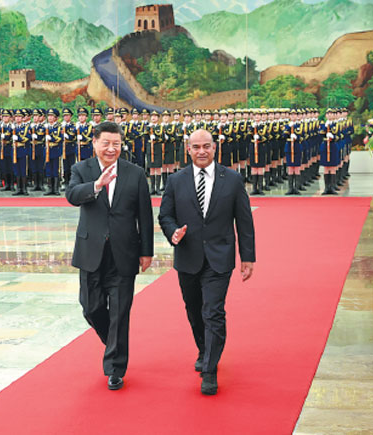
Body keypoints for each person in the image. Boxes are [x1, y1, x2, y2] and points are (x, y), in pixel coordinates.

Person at [158, 129, 256, 395]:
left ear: (215, 148)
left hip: (219, 257)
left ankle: (210, 370)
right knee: (194, 310)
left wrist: (247, 257)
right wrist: (173, 232)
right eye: (196, 147)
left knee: (213, 312)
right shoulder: (176, 180)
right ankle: (204, 349)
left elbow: (244, 221)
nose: (201, 151)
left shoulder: (233, 179)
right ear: (188, 149)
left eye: (206, 146)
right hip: (187, 257)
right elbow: (165, 215)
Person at [65, 121, 154, 391]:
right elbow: (71, 195)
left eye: (116, 144)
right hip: (91, 250)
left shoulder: (135, 173)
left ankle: (115, 367)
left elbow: (144, 215)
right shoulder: (82, 169)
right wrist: (95, 186)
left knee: (119, 312)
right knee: (91, 308)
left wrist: (146, 250)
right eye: (106, 143)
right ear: (95, 143)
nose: (111, 148)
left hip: (124, 252)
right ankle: (114, 344)